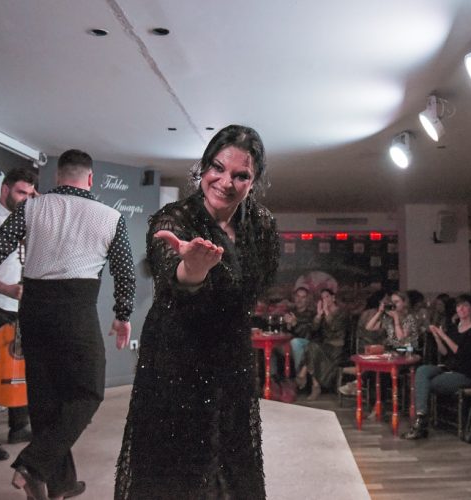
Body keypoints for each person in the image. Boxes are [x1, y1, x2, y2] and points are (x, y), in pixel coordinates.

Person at [115, 124, 279, 499]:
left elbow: (260, 280)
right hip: (176, 357)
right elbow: (171, 272)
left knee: (232, 460)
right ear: (203, 168)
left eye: (241, 175)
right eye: (217, 168)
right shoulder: (173, 219)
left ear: (254, 182)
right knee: (176, 466)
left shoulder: (262, 225)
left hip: (230, 354)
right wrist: (194, 270)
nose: (226, 182)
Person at [0, 149, 136, 500]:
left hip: (33, 309)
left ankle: (58, 485)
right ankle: (31, 466)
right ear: (90, 179)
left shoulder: (30, 208)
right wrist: (122, 315)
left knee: (44, 401)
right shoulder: (110, 216)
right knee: (89, 391)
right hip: (76, 309)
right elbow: (125, 272)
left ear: (57, 178)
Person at [0, 167, 37, 461]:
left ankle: (19, 426)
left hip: (21, 307)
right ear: (5, 189)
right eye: (22, 192)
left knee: (22, 366)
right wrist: (5, 289)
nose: (26, 200)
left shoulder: (30, 219)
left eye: (31, 194)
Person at [402, 294, 471, 440]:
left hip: (465, 373)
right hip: (448, 367)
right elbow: (445, 352)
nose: (461, 309)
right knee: (422, 370)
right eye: (459, 306)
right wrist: (437, 337)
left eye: (465, 306)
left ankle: (421, 423)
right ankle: (422, 418)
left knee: (427, 383)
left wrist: (444, 336)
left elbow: (461, 353)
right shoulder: (454, 327)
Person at [296, 288, 349, 401]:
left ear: (333, 298)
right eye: (322, 298)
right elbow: (314, 329)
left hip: (337, 348)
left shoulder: (342, 312)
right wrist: (319, 315)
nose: (325, 300)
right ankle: (315, 386)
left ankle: (303, 374)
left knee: (313, 349)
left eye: (327, 297)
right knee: (312, 346)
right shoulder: (324, 313)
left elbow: (334, 327)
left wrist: (326, 311)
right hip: (325, 346)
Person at [284, 286, 314, 373]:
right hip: (289, 344)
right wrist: (287, 325)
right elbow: (286, 333)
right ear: (294, 297)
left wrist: (295, 324)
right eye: (297, 296)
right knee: (271, 344)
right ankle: (273, 378)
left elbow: (307, 336)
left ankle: (299, 377)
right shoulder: (290, 312)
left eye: (303, 297)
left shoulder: (311, 314)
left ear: (307, 300)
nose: (299, 299)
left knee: (295, 342)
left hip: (307, 345)